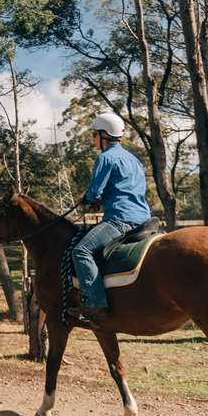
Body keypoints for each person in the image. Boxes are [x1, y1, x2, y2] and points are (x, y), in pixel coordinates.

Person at [69, 112, 151, 324]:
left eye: (94, 135)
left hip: (120, 219)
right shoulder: (133, 159)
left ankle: (95, 305)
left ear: (104, 135)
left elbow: (94, 192)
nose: (93, 139)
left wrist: (86, 199)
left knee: (81, 250)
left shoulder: (105, 158)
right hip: (143, 218)